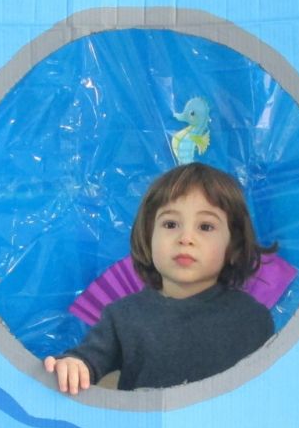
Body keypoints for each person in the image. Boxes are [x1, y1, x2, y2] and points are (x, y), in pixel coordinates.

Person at [44, 163, 277, 393]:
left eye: (205, 227)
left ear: (233, 245)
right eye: (170, 224)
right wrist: (74, 364)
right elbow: (86, 360)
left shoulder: (253, 318)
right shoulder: (123, 316)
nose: (186, 238)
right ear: (148, 236)